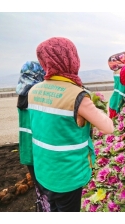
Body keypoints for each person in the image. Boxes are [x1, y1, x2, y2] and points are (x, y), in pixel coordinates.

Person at [28, 37, 114, 212]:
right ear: (70, 58)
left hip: (44, 171)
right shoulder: (78, 96)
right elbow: (108, 127)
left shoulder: (33, 91)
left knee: (53, 209)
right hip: (67, 176)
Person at [16, 61, 50, 212]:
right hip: (38, 149)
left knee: (39, 188)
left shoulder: (22, 94)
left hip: (27, 150)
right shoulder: (36, 95)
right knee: (47, 188)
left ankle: (42, 208)